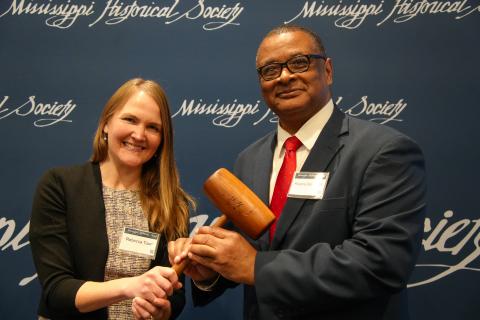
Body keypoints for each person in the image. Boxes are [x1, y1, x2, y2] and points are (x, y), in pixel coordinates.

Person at [168, 25, 427, 319]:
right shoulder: (249, 160)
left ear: (327, 71)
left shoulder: (383, 151)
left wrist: (256, 266)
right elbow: (240, 260)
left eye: (299, 62)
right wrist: (208, 273)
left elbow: (381, 263)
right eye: (270, 70)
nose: (285, 76)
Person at [30, 78, 194, 320]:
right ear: (106, 123)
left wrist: (162, 310)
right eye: (130, 120)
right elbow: (57, 290)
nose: (139, 134)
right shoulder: (59, 185)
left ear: (162, 140)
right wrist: (130, 286)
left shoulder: (172, 202)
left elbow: (175, 296)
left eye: (153, 127)